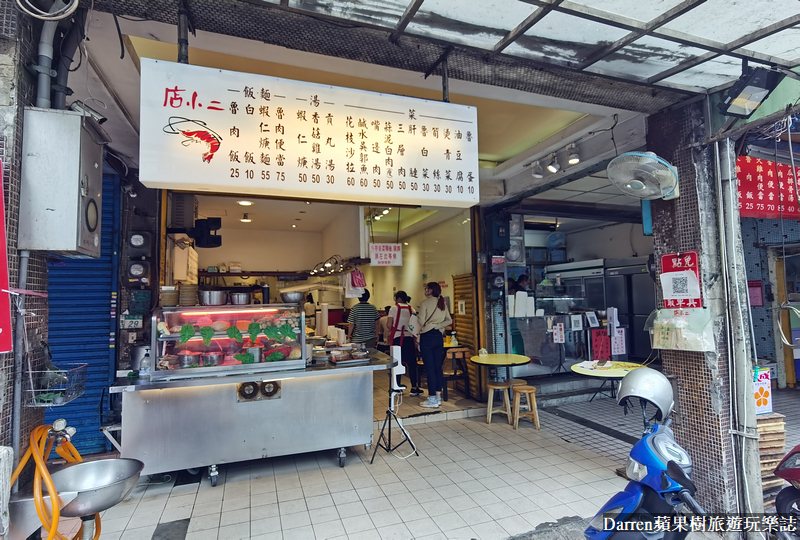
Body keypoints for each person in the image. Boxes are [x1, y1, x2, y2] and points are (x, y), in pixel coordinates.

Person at [417, 282, 452, 408]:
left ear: (430, 290)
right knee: (438, 367)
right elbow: (449, 320)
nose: (425, 291)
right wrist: (438, 325)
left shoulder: (424, 303)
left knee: (430, 368)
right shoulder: (442, 303)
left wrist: (418, 318)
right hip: (438, 336)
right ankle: (438, 396)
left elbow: (421, 320)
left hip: (427, 336)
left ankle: (431, 398)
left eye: (426, 289)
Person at [388, 291, 421, 396]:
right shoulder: (412, 309)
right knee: (412, 363)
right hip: (409, 338)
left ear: (398, 299)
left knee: (397, 362)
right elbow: (415, 325)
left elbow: (389, 325)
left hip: (398, 338)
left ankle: (397, 386)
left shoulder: (394, 308)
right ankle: (414, 388)